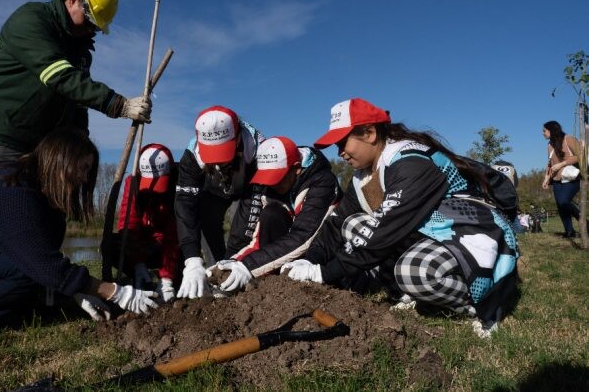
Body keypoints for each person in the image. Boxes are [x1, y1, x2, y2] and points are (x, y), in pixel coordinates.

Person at [282, 98, 519, 336]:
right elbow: (336, 224)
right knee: (352, 224)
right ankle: (408, 294)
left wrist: (324, 273)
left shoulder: (410, 162)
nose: (340, 152)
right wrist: (310, 260)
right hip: (435, 230)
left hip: (473, 227)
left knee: (413, 271)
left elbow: (383, 230)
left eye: (343, 142)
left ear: (370, 133)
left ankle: (480, 303)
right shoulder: (363, 175)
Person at [0, 128, 157, 345]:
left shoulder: (38, 191)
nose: (85, 178)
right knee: (25, 271)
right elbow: (44, 267)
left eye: (88, 171)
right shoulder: (14, 195)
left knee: (31, 272)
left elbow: (48, 255)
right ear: (60, 161)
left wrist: (76, 291)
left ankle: (6, 307)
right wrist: (114, 292)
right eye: (82, 168)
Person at [0, 0, 151, 165]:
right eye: (88, 22)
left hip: (39, 136)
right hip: (2, 126)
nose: (90, 31)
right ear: (73, 0)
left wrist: (79, 143)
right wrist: (119, 105)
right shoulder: (31, 20)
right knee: (10, 193)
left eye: (95, 28)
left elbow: (77, 102)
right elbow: (60, 76)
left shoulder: (80, 51)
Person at [208, 136, 341, 292]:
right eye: (268, 179)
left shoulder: (323, 182)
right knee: (271, 213)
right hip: (290, 250)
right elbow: (258, 240)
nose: (272, 185)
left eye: (277, 178)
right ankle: (271, 285)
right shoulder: (271, 189)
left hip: (323, 251)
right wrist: (230, 263)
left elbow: (303, 236)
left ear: (297, 168)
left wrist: (248, 266)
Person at [174, 105, 265, 299]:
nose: (219, 160)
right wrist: (191, 259)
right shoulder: (192, 155)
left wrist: (232, 259)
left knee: (241, 225)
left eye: (223, 152)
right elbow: (185, 205)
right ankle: (216, 275)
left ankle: (239, 271)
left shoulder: (257, 147)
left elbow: (252, 207)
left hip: (246, 190)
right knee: (205, 217)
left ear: (237, 136)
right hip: (214, 190)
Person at [111, 144, 181, 302]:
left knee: (179, 280)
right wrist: (138, 262)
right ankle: (142, 278)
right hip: (145, 245)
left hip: (170, 247)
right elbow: (129, 224)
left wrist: (166, 279)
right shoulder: (133, 182)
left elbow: (174, 233)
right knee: (112, 244)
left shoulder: (178, 183)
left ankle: (169, 280)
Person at [541, 121, 583, 238]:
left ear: (552, 130)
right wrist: (546, 178)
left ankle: (583, 220)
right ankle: (569, 231)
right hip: (556, 179)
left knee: (563, 201)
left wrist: (562, 164)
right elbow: (550, 164)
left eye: (544, 131)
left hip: (572, 176)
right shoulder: (550, 145)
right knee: (560, 206)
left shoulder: (568, 139)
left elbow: (580, 155)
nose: (542, 133)